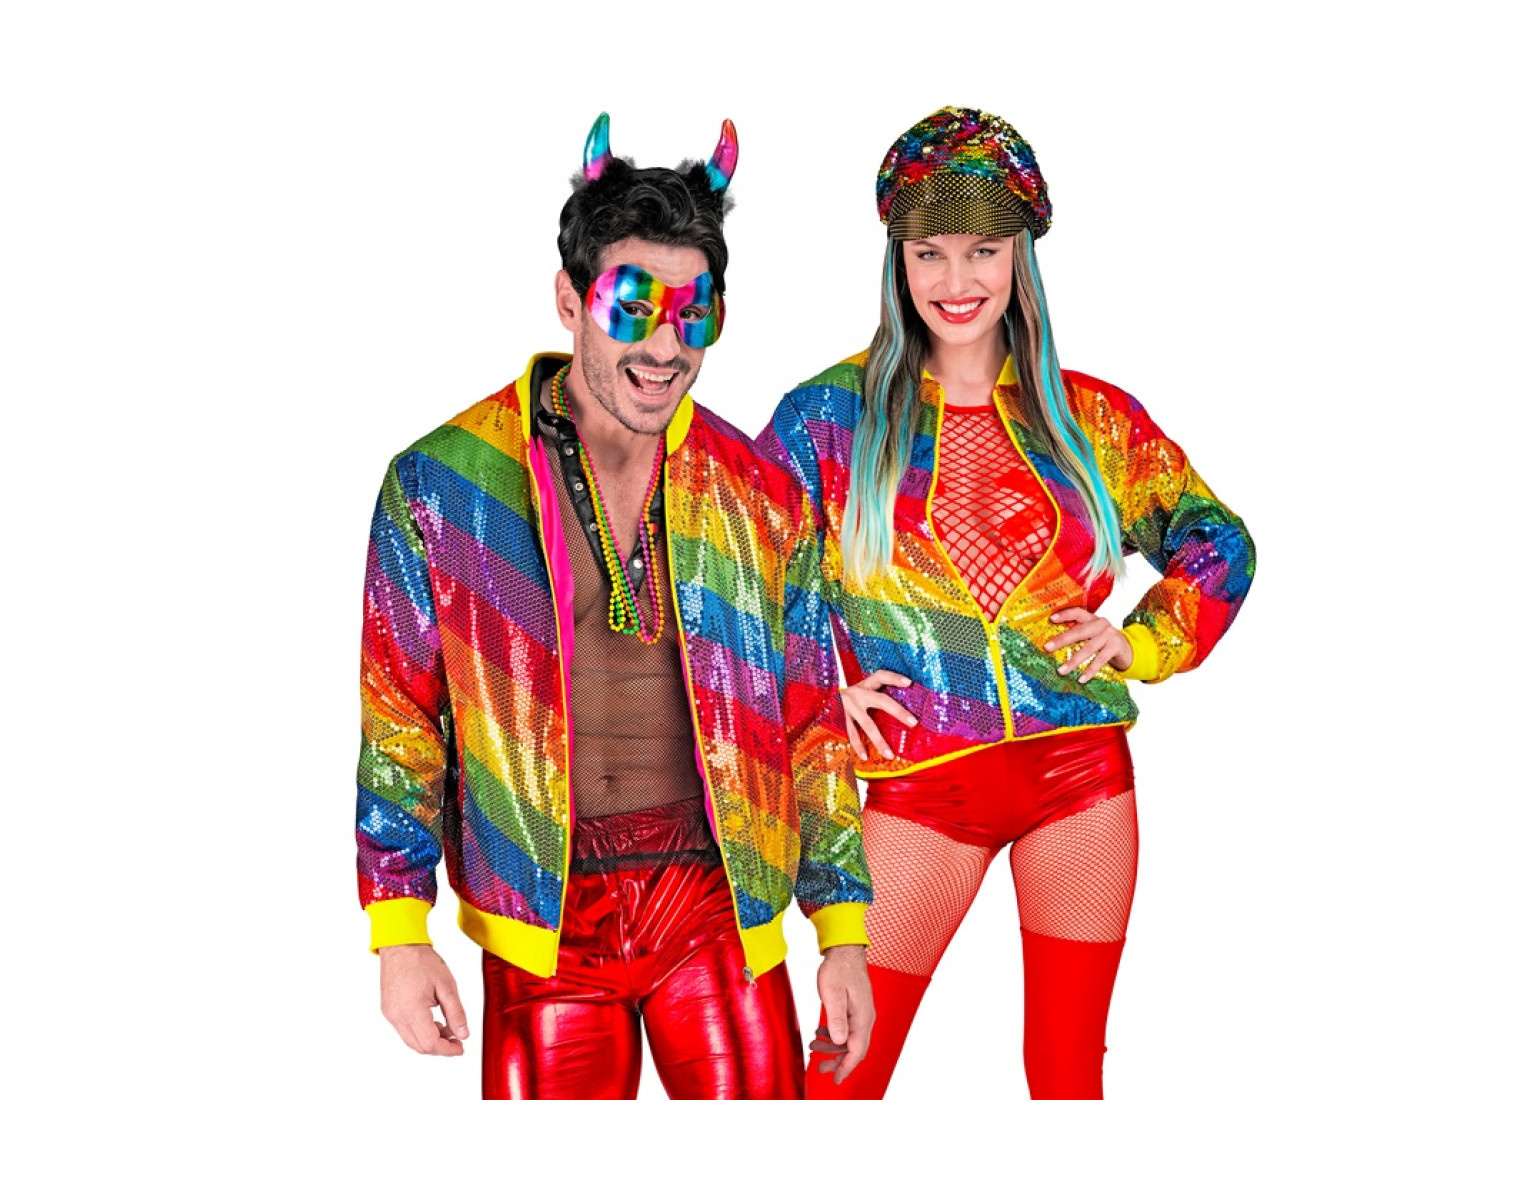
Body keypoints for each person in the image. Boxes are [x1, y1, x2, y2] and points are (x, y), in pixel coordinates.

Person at [357, 113, 873, 1100]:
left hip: (720, 910)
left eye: (694, 315)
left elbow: (811, 717)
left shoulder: (762, 495)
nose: (666, 347)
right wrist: (398, 929)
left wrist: (841, 931)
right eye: (633, 309)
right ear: (570, 300)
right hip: (543, 919)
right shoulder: (444, 485)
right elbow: (400, 717)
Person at [758, 107, 1255, 1099]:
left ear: (1022, 255)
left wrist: (1141, 641)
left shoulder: (1089, 418)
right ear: (897, 260)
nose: (957, 280)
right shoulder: (828, 420)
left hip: (1079, 777)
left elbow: (1219, 540)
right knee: (838, 1076)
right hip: (920, 788)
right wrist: (817, 690)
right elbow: (733, 578)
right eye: (929, 253)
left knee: (1066, 1076)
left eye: (983, 250)